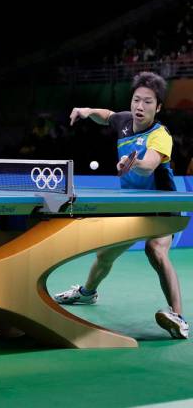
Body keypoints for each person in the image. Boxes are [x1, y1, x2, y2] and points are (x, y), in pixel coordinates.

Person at [54, 71, 188, 339]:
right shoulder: (125, 122)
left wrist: (132, 163)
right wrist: (85, 110)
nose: (140, 106)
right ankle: (87, 293)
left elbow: (149, 166)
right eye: (136, 100)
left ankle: (178, 316)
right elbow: (106, 116)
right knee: (105, 256)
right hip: (132, 205)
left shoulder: (160, 135)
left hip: (162, 207)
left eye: (148, 102)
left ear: (158, 107)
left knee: (156, 251)